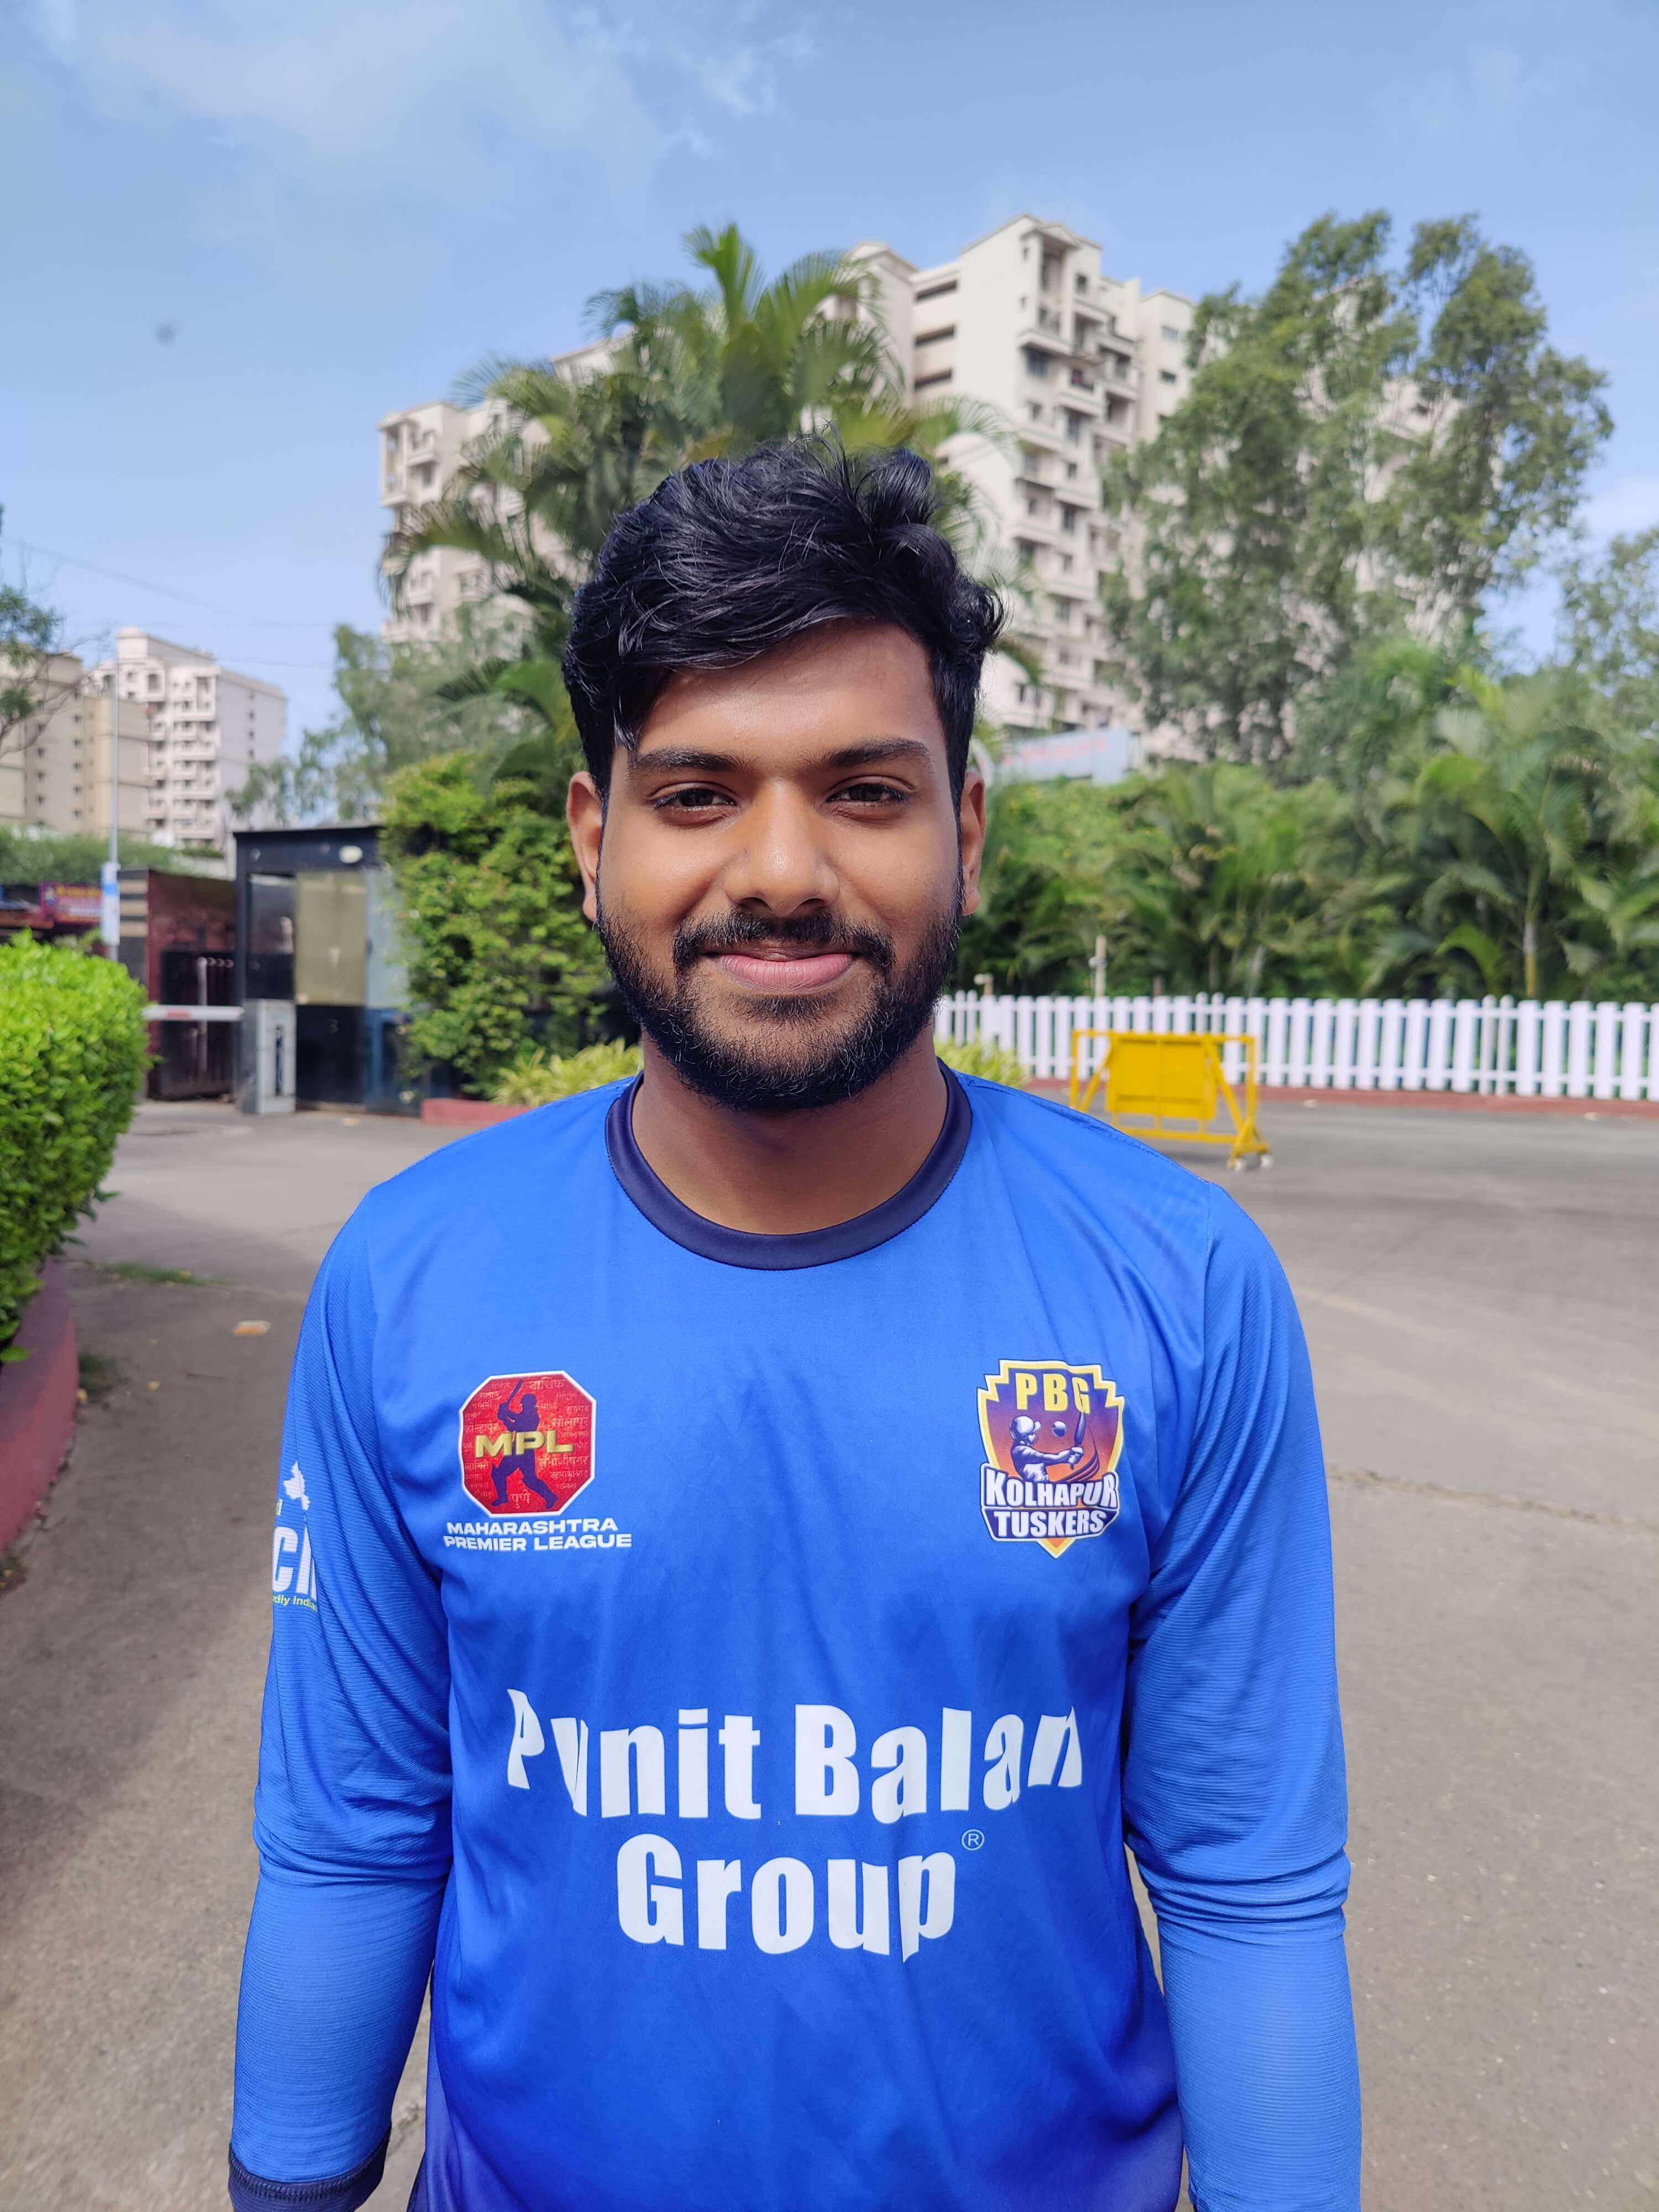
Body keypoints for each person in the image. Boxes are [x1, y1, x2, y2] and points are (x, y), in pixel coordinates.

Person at [229, 441, 1361, 2212]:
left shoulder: (1181, 1283)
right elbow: (353, 1836)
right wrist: (288, 2181)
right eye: (696, 793)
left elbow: (1245, 1878)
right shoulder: (413, 1276)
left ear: (963, 832)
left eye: (863, 790)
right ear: (594, 838)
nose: (778, 869)